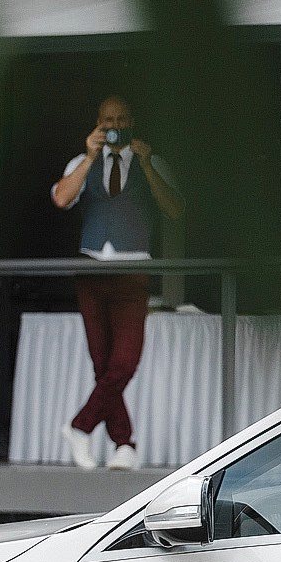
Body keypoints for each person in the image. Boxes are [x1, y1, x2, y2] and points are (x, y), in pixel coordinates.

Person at [51, 94, 184, 470]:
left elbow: (176, 209)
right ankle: (124, 445)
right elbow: (61, 198)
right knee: (101, 363)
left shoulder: (151, 161)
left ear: (133, 123)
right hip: (91, 267)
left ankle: (80, 427)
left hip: (131, 270)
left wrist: (146, 163)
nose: (115, 126)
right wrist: (91, 156)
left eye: (122, 119)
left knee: (124, 361)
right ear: (97, 122)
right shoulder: (82, 161)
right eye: (107, 119)